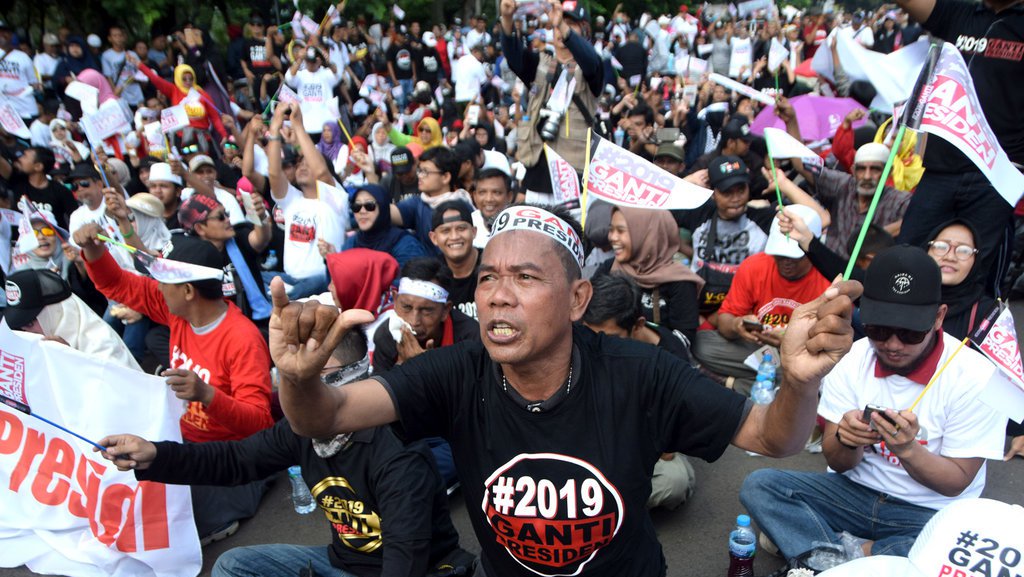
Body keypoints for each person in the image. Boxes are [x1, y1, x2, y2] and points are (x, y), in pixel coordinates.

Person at [268, 202, 862, 577]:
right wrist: (297, 379)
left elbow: (772, 436)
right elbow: (329, 416)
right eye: (489, 279)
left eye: (526, 278)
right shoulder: (458, 370)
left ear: (578, 300)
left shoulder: (641, 373)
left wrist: (797, 381)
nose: (498, 295)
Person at [97, 330, 473, 577]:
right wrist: (155, 456)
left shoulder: (399, 455)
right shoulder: (304, 428)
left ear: (352, 377)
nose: (298, 391)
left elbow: (405, 559)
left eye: (312, 377)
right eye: (292, 379)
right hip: (342, 563)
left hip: (423, 570)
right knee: (233, 565)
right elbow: (237, 460)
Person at [740, 245, 1007, 562]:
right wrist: (846, 440)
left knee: (965, 542)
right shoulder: (850, 357)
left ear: (938, 318)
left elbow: (956, 483)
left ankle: (825, 552)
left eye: (909, 333)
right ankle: (858, 556)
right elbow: (838, 463)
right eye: (878, 329)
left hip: (929, 512)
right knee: (761, 486)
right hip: (853, 495)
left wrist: (908, 450)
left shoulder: (976, 376)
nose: (893, 345)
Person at [74, 225, 274, 543]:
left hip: (228, 458)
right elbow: (117, 284)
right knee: (120, 487)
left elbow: (260, 423)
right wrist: (94, 249)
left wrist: (207, 394)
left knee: (160, 521)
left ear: (188, 291)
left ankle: (222, 515)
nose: (156, 287)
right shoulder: (179, 312)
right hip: (182, 443)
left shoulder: (242, 339)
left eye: (162, 281)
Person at [894, 0, 1022, 298]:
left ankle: (959, 341)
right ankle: (903, 335)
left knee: (972, 279)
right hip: (940, 171)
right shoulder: (961, 13)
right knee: (908, 261)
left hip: (996, 178)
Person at [581, 271, 697, 511]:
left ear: (638, 326)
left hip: (641, 449)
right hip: (591, 439)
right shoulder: (584, 338)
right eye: (588, 335)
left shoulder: (669, 359)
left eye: (609, 338)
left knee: (674, 482)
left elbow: (666, 451)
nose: (596, 347)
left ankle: (596, 507)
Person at [695, 205, 832, 395]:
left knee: (820, 373)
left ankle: (744, 385)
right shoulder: (754, 266)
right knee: (702, 343)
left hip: (802, 356)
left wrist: (789, 340)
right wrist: (737, 325)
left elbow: (829, 344)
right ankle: (776, 386)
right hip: (757, 350)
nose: (786, 262)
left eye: (794, 256)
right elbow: (725, 320)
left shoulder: (828, 280)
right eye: (780, 255)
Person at [500, 0, 603, 196]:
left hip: (574, 179)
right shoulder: (542, 62)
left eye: (571, 24)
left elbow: (591, 61)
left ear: (585, 31)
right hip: (537, 175)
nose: (559, 27)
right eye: (557, 23)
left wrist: (562, 27)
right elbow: (513, 56)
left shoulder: (593, 66)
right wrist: (506, 18)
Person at [265, 103, 349, 299]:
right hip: (288, 279)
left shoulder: (336, 199)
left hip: (323, 282)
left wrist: (298, 126)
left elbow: (320, 171)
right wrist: (275, 129)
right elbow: (273, 173)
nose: (302, 167)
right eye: (299, 163)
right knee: (255, 277)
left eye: (307, 163)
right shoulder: (292, 199)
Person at [600, 206, 703, 343]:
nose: (612, 237)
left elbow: (683, 342)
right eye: (611, 229)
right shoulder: (610, 268)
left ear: (648, 235)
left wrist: (643, 335)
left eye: (620, 231)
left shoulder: (679, 281)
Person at [4, 269, 140, 371]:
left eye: (29, 323)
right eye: (20, 326)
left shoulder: (103, 346)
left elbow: (118, 395)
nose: (24, 331)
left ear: (56, 314)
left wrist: (71, 359)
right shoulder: (35, 350)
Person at [800, 142, 910, 259]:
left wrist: (881, 234)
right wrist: (792, 124)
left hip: (865, 275)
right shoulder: (843, 185)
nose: (867, 176)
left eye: (875, 169)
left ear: (889, 172)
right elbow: (802, 166)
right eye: (861, 169)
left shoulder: (899, 201)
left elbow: (921, 219)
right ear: (853, 170)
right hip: (829, 269)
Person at [177, 195, 273, 327]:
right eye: (220, 217)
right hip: (218, 328)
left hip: (257, 323)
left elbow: (260, 240)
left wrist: (260, 218)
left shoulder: (239, 237)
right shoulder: (192, 258)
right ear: (200, 228)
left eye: (226, 214)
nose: (228, 220)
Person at [337, 184, 429, 269]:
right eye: (356, 206)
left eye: (370, 206)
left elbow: (411, 282)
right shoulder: (351, 243)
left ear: (383, 208)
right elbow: (338, 281)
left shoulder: (405, 244)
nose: (362, 211)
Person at [0, 146, 79, 228]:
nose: (20, 158)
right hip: (20, 239)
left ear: (38, 166)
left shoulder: (61, 191)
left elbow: (76, 218)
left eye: (25, 156)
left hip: (49, 237)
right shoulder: (18, 182)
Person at [429, 200, 480, 319]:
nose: (454, 237)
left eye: (461, 228)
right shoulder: (431, 275)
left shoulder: (492, 264)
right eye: (445, 231)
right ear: (434, 238)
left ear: (474, 232)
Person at [469, 167, 515, 248]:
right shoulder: (467, 224)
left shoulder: (520, 225)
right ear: (475, 196)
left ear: (509, 196)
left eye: (496, 192)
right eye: (482, 192)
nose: (489, 199)